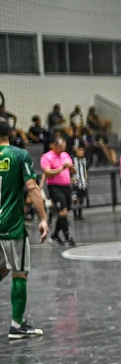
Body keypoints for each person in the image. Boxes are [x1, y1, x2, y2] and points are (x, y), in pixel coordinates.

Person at [0, 120, 48, 339]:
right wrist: (43, 218)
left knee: (2, 269)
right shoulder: (19, 155)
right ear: (11, 133)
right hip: (11, 225)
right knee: (19, 272)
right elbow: (32, 187)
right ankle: (17, 324)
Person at [40, 137, 76, 246]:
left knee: (65, 212)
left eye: (63, 147)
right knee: (63, 211)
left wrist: (71, 168)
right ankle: (67, 236)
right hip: (55, 186)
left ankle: (55, 235)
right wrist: (61, 168)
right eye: (60, 147)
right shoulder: (47, 157)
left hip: (66, 186)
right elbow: (47, 172)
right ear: (54, 146)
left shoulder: (65, 155)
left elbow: (73, 170)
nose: (62, 149)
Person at [71, 145, 89, 221]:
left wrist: (86, 179)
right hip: (76, 182)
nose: (81, 152)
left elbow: (86, 170)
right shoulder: (73, 160)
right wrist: (72, 179)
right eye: (80, 151)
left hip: (83, 182)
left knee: (81, 198)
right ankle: (75, 215)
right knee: (75, 198)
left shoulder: (84, 160)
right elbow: (70, 170)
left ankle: (80, 214)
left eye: (82, 151)